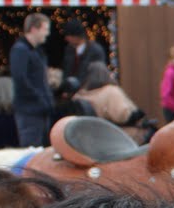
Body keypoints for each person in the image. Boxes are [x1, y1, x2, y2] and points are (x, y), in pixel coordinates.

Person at [74, 61, 151, 143]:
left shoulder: (78, 96)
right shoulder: (111, 92)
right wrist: (138, 114)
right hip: (118, 136)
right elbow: (122, 116)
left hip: (91, 138)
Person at [8, 12, 55, 147]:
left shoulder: (36, 51)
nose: (47, 33)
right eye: (45, 29)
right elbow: (20, 78)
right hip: (29, 111)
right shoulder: (20, 50)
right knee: (31, 150)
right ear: (34, 29)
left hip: (41, 110)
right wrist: (39, 98)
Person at [60, 19, 107, 93]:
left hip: (90, 92)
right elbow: (66, 70)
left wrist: (84, 88)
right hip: (71, 93)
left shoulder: (95, 50)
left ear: (76, 36)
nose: (66, 38)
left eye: (68, 35)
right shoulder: (69, 50)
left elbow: (98, 73)